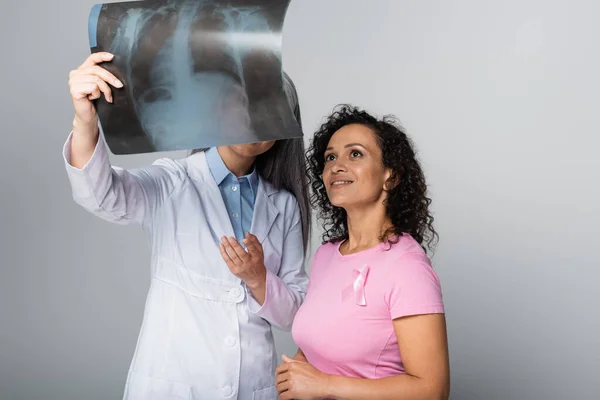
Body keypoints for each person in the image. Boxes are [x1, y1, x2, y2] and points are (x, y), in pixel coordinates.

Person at [65, 52, 309, 400]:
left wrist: (259, 279)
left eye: (272, 109)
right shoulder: (172, 182)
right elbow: (102, 196)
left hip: (250, 386)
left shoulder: (283, 206)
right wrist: (85, 120)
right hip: (174, 383)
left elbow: (296, 313)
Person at [276, 105, 450, 400]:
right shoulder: (326, 255)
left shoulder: (407, 267)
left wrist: (324, 385)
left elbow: (432, 390)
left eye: (355, 154)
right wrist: (296, 374)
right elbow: (317, 344)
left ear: (390, 177)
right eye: (330, 157)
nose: (336, 166)